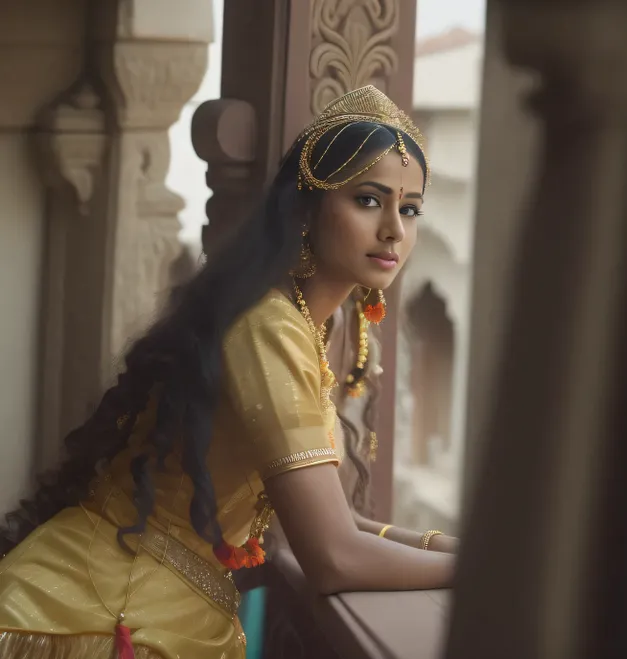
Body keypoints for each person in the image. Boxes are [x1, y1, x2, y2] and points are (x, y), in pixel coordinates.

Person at [0, 85, 455, 659]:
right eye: (369, 200)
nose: (394, 228)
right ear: (307, 210)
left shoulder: (309, 326)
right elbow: (332, 556)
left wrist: (447, 547)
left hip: (162, 607)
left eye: (409, 208)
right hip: (96, 617)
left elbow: (330, 522)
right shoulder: (270, 324)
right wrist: (474, 573)